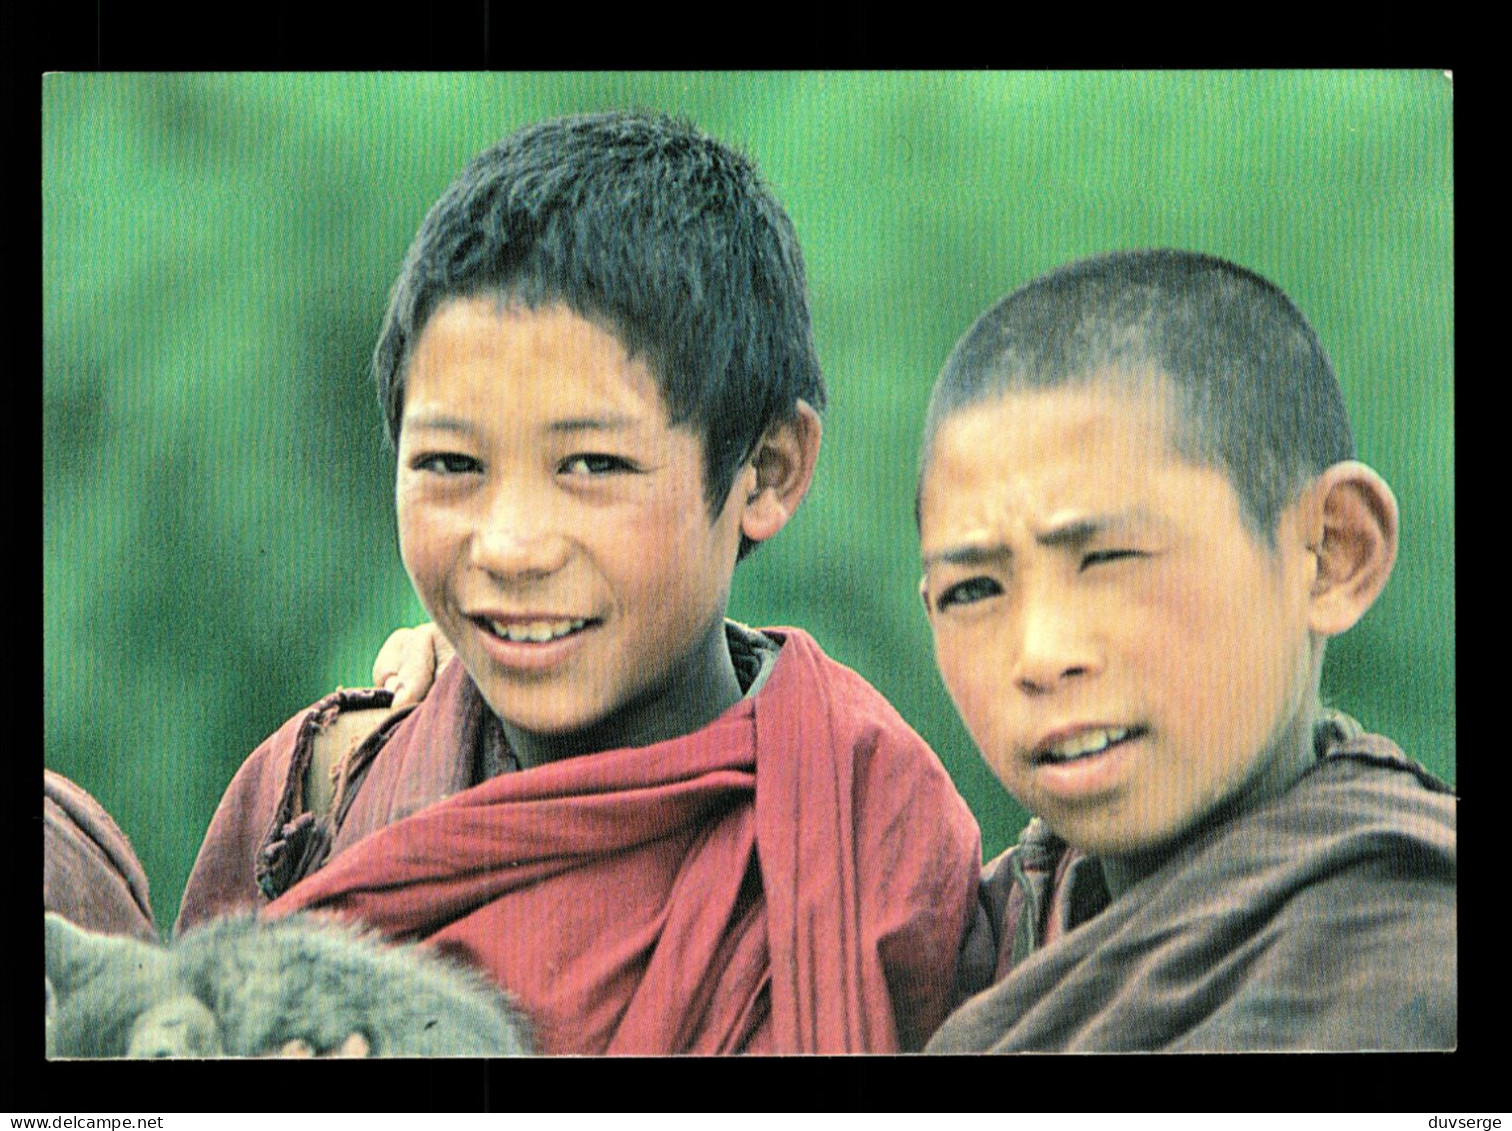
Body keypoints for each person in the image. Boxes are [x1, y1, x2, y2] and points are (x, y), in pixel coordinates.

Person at [175, 111, 981, 1055]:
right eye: (449, 463)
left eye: (592, 465)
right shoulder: (323, 785)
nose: (511, 547)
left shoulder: (867, 829)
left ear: (765, 469)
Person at [914, 249, 1455, 1051]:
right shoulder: (933, 959)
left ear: (1332, 552)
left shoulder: (1419, 962)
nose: (1039, 654)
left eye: (1109, 560)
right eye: (974, 590)